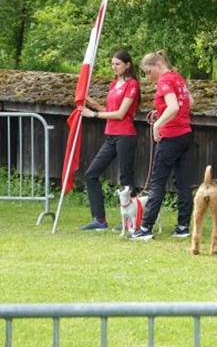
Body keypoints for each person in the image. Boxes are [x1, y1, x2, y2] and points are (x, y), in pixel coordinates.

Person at [130, 50, 194, 241]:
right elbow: (190, 102)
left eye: (149, 72)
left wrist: (159, 123)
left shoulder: (165, 81)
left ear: (158, 66)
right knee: (183, 183)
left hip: (171, 137)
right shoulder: (177, 77)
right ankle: (183, 227)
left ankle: (145, 228)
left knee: (157, 182)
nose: (148, 78)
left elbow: (173, 107)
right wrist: (162, 112)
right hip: (185, 134)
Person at [79, 49, 140, 231]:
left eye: (118, 64)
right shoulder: (114, 83)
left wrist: (94, 114)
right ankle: (99, 220)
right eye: (112, 64)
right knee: (91, 174)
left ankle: (131, 219)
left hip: (126, 135)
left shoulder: (132, 85)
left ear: (127, 65)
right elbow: (109, 109)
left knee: (126, 179)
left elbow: (121, 114)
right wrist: (89, 102)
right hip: (111, 135)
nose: (114, 67)